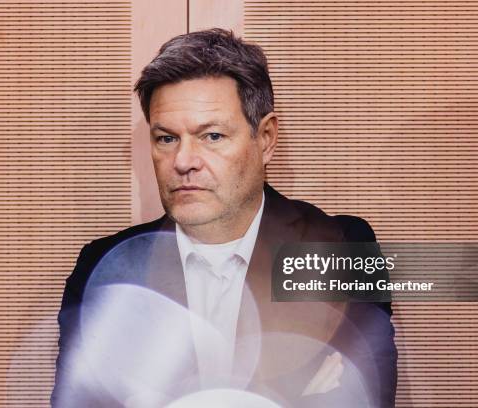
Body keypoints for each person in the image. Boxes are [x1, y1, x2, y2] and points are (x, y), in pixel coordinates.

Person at [52, 28, 397, 407]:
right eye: (166, 138)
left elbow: (365, 397)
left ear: (265, 138)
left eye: (212, 136)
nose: (183, 162)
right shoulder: (104, 267)